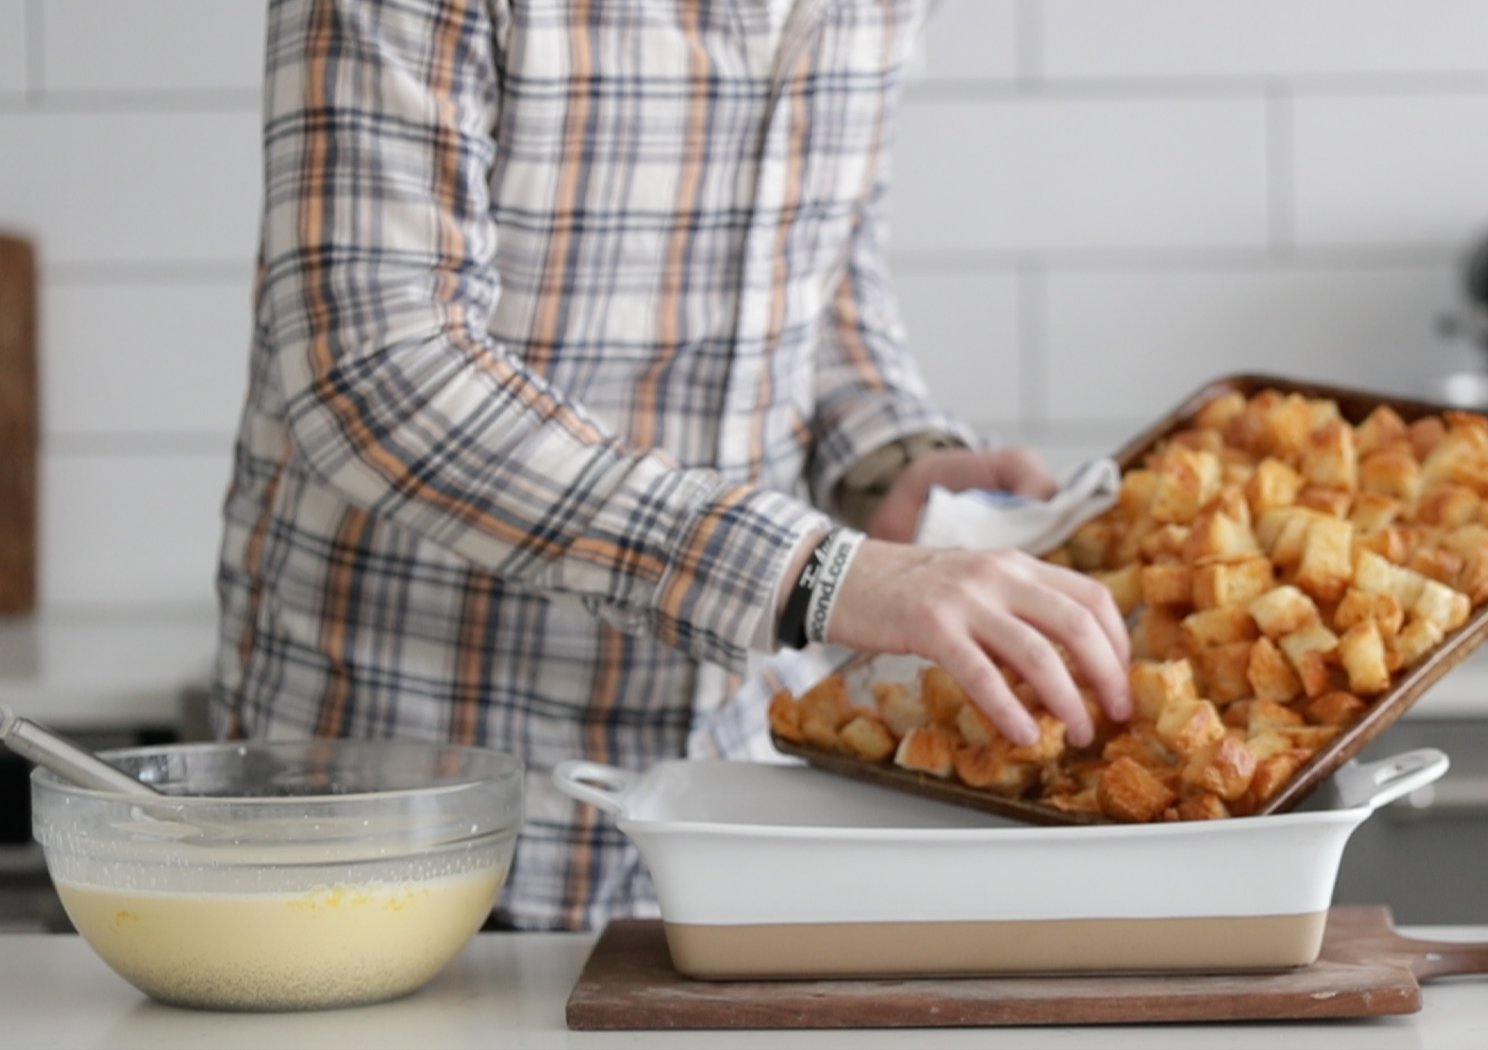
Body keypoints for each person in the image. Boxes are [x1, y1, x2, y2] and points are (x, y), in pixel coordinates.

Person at [214, 0, 1130, 931]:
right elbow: (378, 369)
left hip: (726, 807)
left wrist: (886, 462)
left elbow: (821, 275)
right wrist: (811, 573)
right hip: (404, 815)